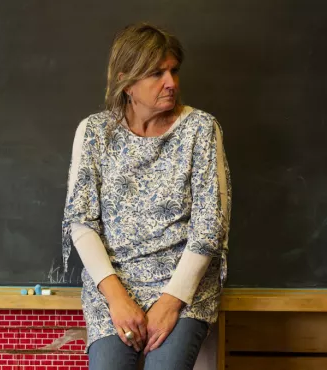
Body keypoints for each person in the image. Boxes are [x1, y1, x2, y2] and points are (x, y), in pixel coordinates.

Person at [61, 23, 232, 370]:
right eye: (157, 73)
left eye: (173, 70)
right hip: (114, 287)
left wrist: (171, 301)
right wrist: (116, 299)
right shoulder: (95, 132)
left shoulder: (200, 129)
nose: (172, 82)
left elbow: (209, 227)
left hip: (182, 289)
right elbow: (82, 222)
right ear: (127, 81)